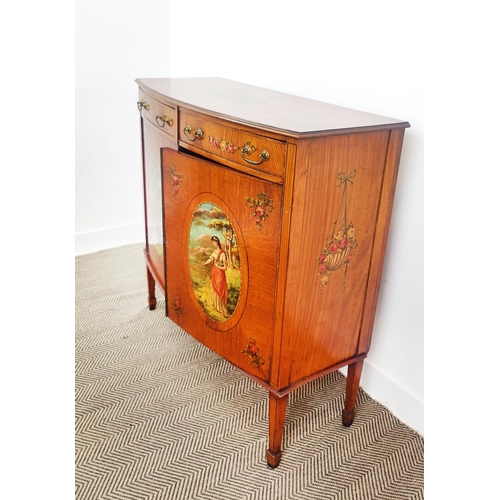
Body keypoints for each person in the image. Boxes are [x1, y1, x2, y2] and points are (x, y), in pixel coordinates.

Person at [203, 236, 229, 318]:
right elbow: (210, 259)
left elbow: (225, 267)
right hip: (214, 272)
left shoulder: (222, 253)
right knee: (214, 287)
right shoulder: (214, 251)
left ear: (217, 242)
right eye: (213, 242)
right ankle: (216, 307)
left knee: (220, 289)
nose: (214, 244)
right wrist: (205, 263)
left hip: (220, 273)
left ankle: (223, 310)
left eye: (214, 242)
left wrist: (218, 266)